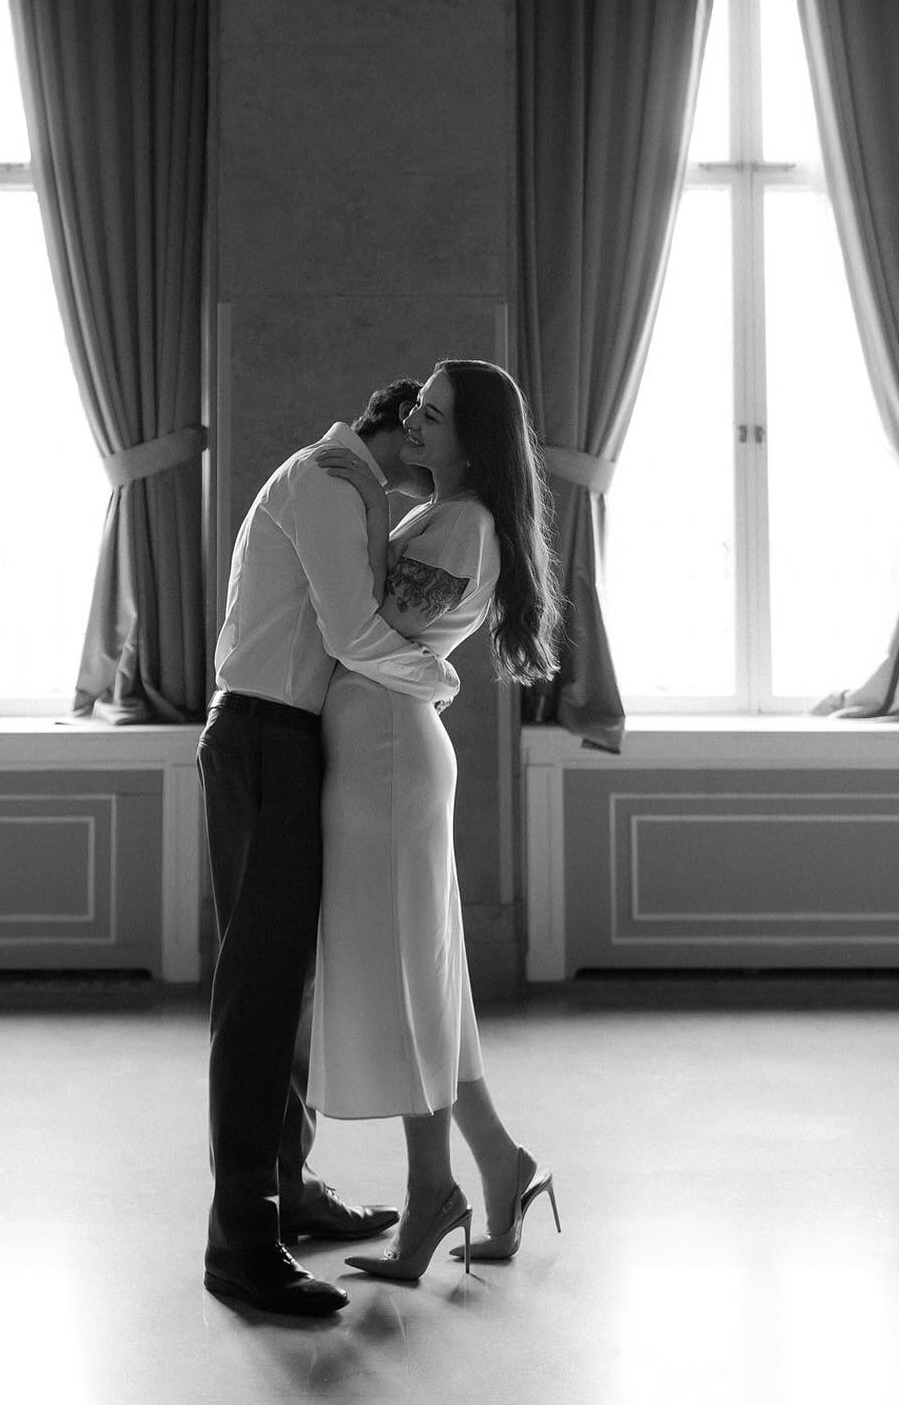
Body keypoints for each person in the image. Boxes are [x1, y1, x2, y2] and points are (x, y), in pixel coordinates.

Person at [200, 379, 460, 1317]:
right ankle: (240, 1243)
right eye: (424, 424)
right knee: (261, 992)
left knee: (290, 988)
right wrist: (440, 677)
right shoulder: (325, 479)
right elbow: (353, 633)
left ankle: (291, 1193)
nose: (433, 442)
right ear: (392, 422)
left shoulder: (361, 493)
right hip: (262, 736)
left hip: (286, 739)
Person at [307, 358, 564, 1281]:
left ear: (475, 437)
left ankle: (431, 1193)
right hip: (384, 753)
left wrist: (363, 506)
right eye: (417, 406)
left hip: (386, 759)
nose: (415, 423)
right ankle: (498, 1161)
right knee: (429, 975)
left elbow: (372, 618)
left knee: (413, 977)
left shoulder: (461, 522)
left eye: (438, 416)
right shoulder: (447, 513)